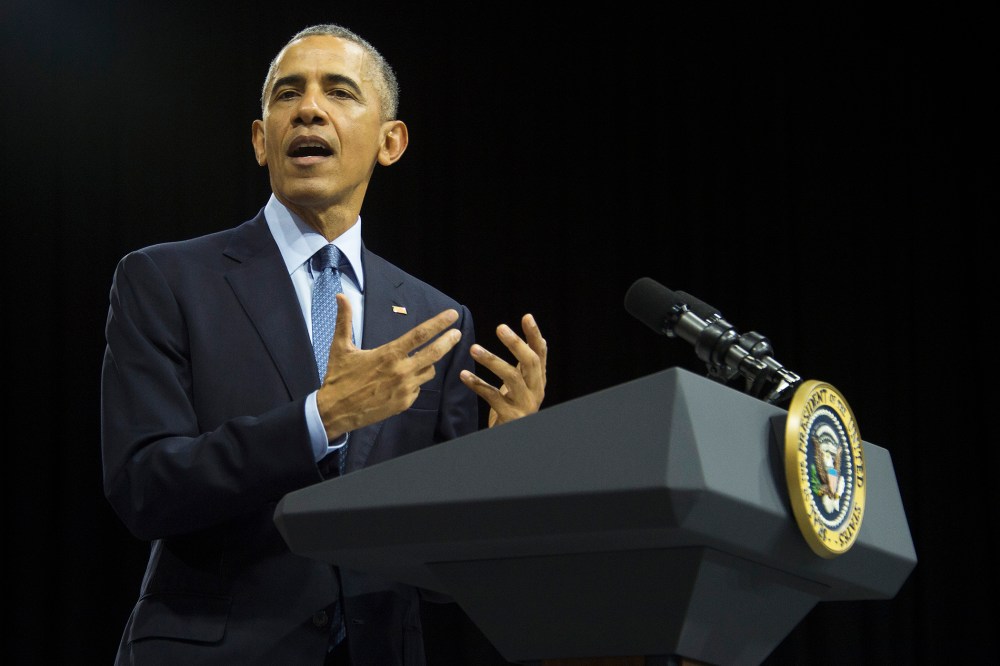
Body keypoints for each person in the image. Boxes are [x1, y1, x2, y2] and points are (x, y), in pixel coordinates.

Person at [100, 22, 547, 666]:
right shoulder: (165, 280)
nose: (308, 108)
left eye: (339, 91)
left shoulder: (435, 318)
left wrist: (504, 462)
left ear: (390, 142)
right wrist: (322, 417)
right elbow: (145, 487)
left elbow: (448, 580)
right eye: (287, 94)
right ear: (261, 140)